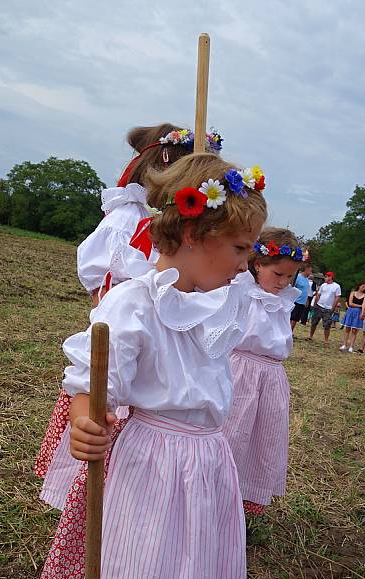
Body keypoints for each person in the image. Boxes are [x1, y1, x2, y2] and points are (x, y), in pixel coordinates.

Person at [23, 153, 267, 579]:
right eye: (239, 247)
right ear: (191, 234)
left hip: (206, 459)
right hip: (151, 461)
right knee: (133, 573)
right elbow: (89, 384)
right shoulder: (134, 304)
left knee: (181, 571)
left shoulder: (229, 300)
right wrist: (86, 420)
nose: (248, 261)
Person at [34, 124, 224, 512]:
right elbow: (98, 279)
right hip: (128, 342)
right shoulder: (129, 218)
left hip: (160, 348)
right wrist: (124, 300)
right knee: (104, 443)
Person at [223, 228, 301, 525]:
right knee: (233, 432)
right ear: (258, 264)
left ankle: (240, 506)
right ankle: (217, 493)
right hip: (241, 371)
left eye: (289, 277)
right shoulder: (242, 289)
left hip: (271, 377)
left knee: (260, 439)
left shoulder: (283, 300)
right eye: (278, 274)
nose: (283, 283)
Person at [308, 271, 342, 344]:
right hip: (319, 306)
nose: (325, 278)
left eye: (327, 276)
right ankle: (310, 336)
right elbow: (318, 294)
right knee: (314, 322)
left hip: (328, 308)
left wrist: (333, 307)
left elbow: (337, 297)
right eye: (325, 276)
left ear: (331, 277)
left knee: (327, 325)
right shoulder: (323, 285)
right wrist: (315, 303)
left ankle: (326, 340)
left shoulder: (336, 286)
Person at [339, 282, 365, 352]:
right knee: (347, 329)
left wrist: (363, 313)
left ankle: (351, 346)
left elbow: (364, 304)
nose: (364, 288)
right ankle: (344, 345)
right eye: (363, 287)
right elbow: (350, 303)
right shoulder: (353, 293)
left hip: (358, 313)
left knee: (354, 330)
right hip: (350, 311)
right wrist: (359, 306)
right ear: (359, 286)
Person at [290, 262, 314, 331]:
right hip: (295, 301)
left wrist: (306, 300)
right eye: (310, 270)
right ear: (306, 269)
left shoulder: (307, 279)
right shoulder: (298, 277)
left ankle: (291, 332)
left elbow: (305, 290)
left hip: (302, 303)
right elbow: (292, 287)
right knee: (291, 318)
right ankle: (287, 332)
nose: (310, 272)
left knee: (295, 319)